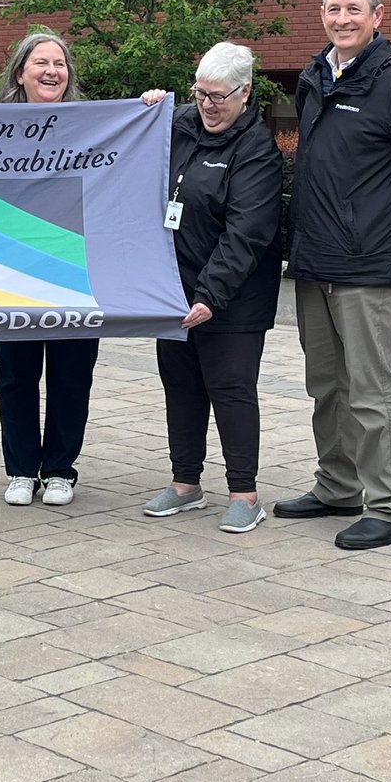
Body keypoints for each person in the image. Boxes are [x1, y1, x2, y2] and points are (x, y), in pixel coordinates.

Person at [275, 0, 391, 550]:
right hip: (315, 261)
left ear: (378, 17)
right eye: (333, 9)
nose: (342, 19)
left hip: (369, 263)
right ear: (322, 15)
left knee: (371, 391)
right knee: (327, 386)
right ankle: (338, 487)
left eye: (354, 9)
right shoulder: (314, 77)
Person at [141, 42, 282, 533]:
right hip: (173, 291)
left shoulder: (256, 149)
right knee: (179, 386)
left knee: (231, 389)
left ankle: (244, 492)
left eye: (219, 96)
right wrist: (146, 107)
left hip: (231, 300)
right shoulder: (178, 124)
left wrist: (209, 296)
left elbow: (247, 233)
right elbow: (133, 147)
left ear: (244, 93)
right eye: (200, 93)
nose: (207, 105)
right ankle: (186, 484)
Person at [0, 32, 99, 506]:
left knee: (71, 374)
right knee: (15, 374)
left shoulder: (93, 126)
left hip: (76, 271)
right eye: (41, 62)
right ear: (21, 73)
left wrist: (149, 108)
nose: (52, 70)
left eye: (60, 63)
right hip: (9, 272)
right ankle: (20, 469)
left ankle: (59, 469)